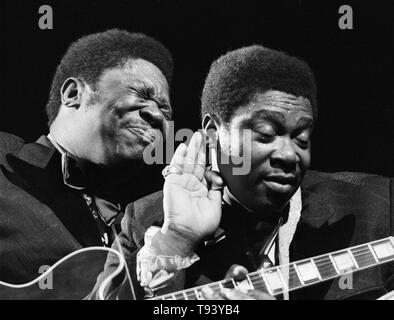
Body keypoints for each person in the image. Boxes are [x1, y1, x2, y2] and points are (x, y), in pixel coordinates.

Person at [95, 45, 394, 300]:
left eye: (302, 138)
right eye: (265, 134)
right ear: (213, 134)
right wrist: (177, 240)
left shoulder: (378, 205)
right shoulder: (147, 222)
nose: (290, 155)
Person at [0, 29, 174, 288]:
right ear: (73, 94)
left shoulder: (140, 229)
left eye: (165, 109)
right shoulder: (5, 160)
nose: (158, 115)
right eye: (142, 94)